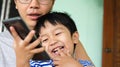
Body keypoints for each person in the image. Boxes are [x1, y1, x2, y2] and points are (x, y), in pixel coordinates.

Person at [0, 0, 94, 67]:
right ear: (16, 2)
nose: (34, 4)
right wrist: (22, 61)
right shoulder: (2, 43)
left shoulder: (68, 42)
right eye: (45, 39)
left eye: (58, 33)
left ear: (53, 2)